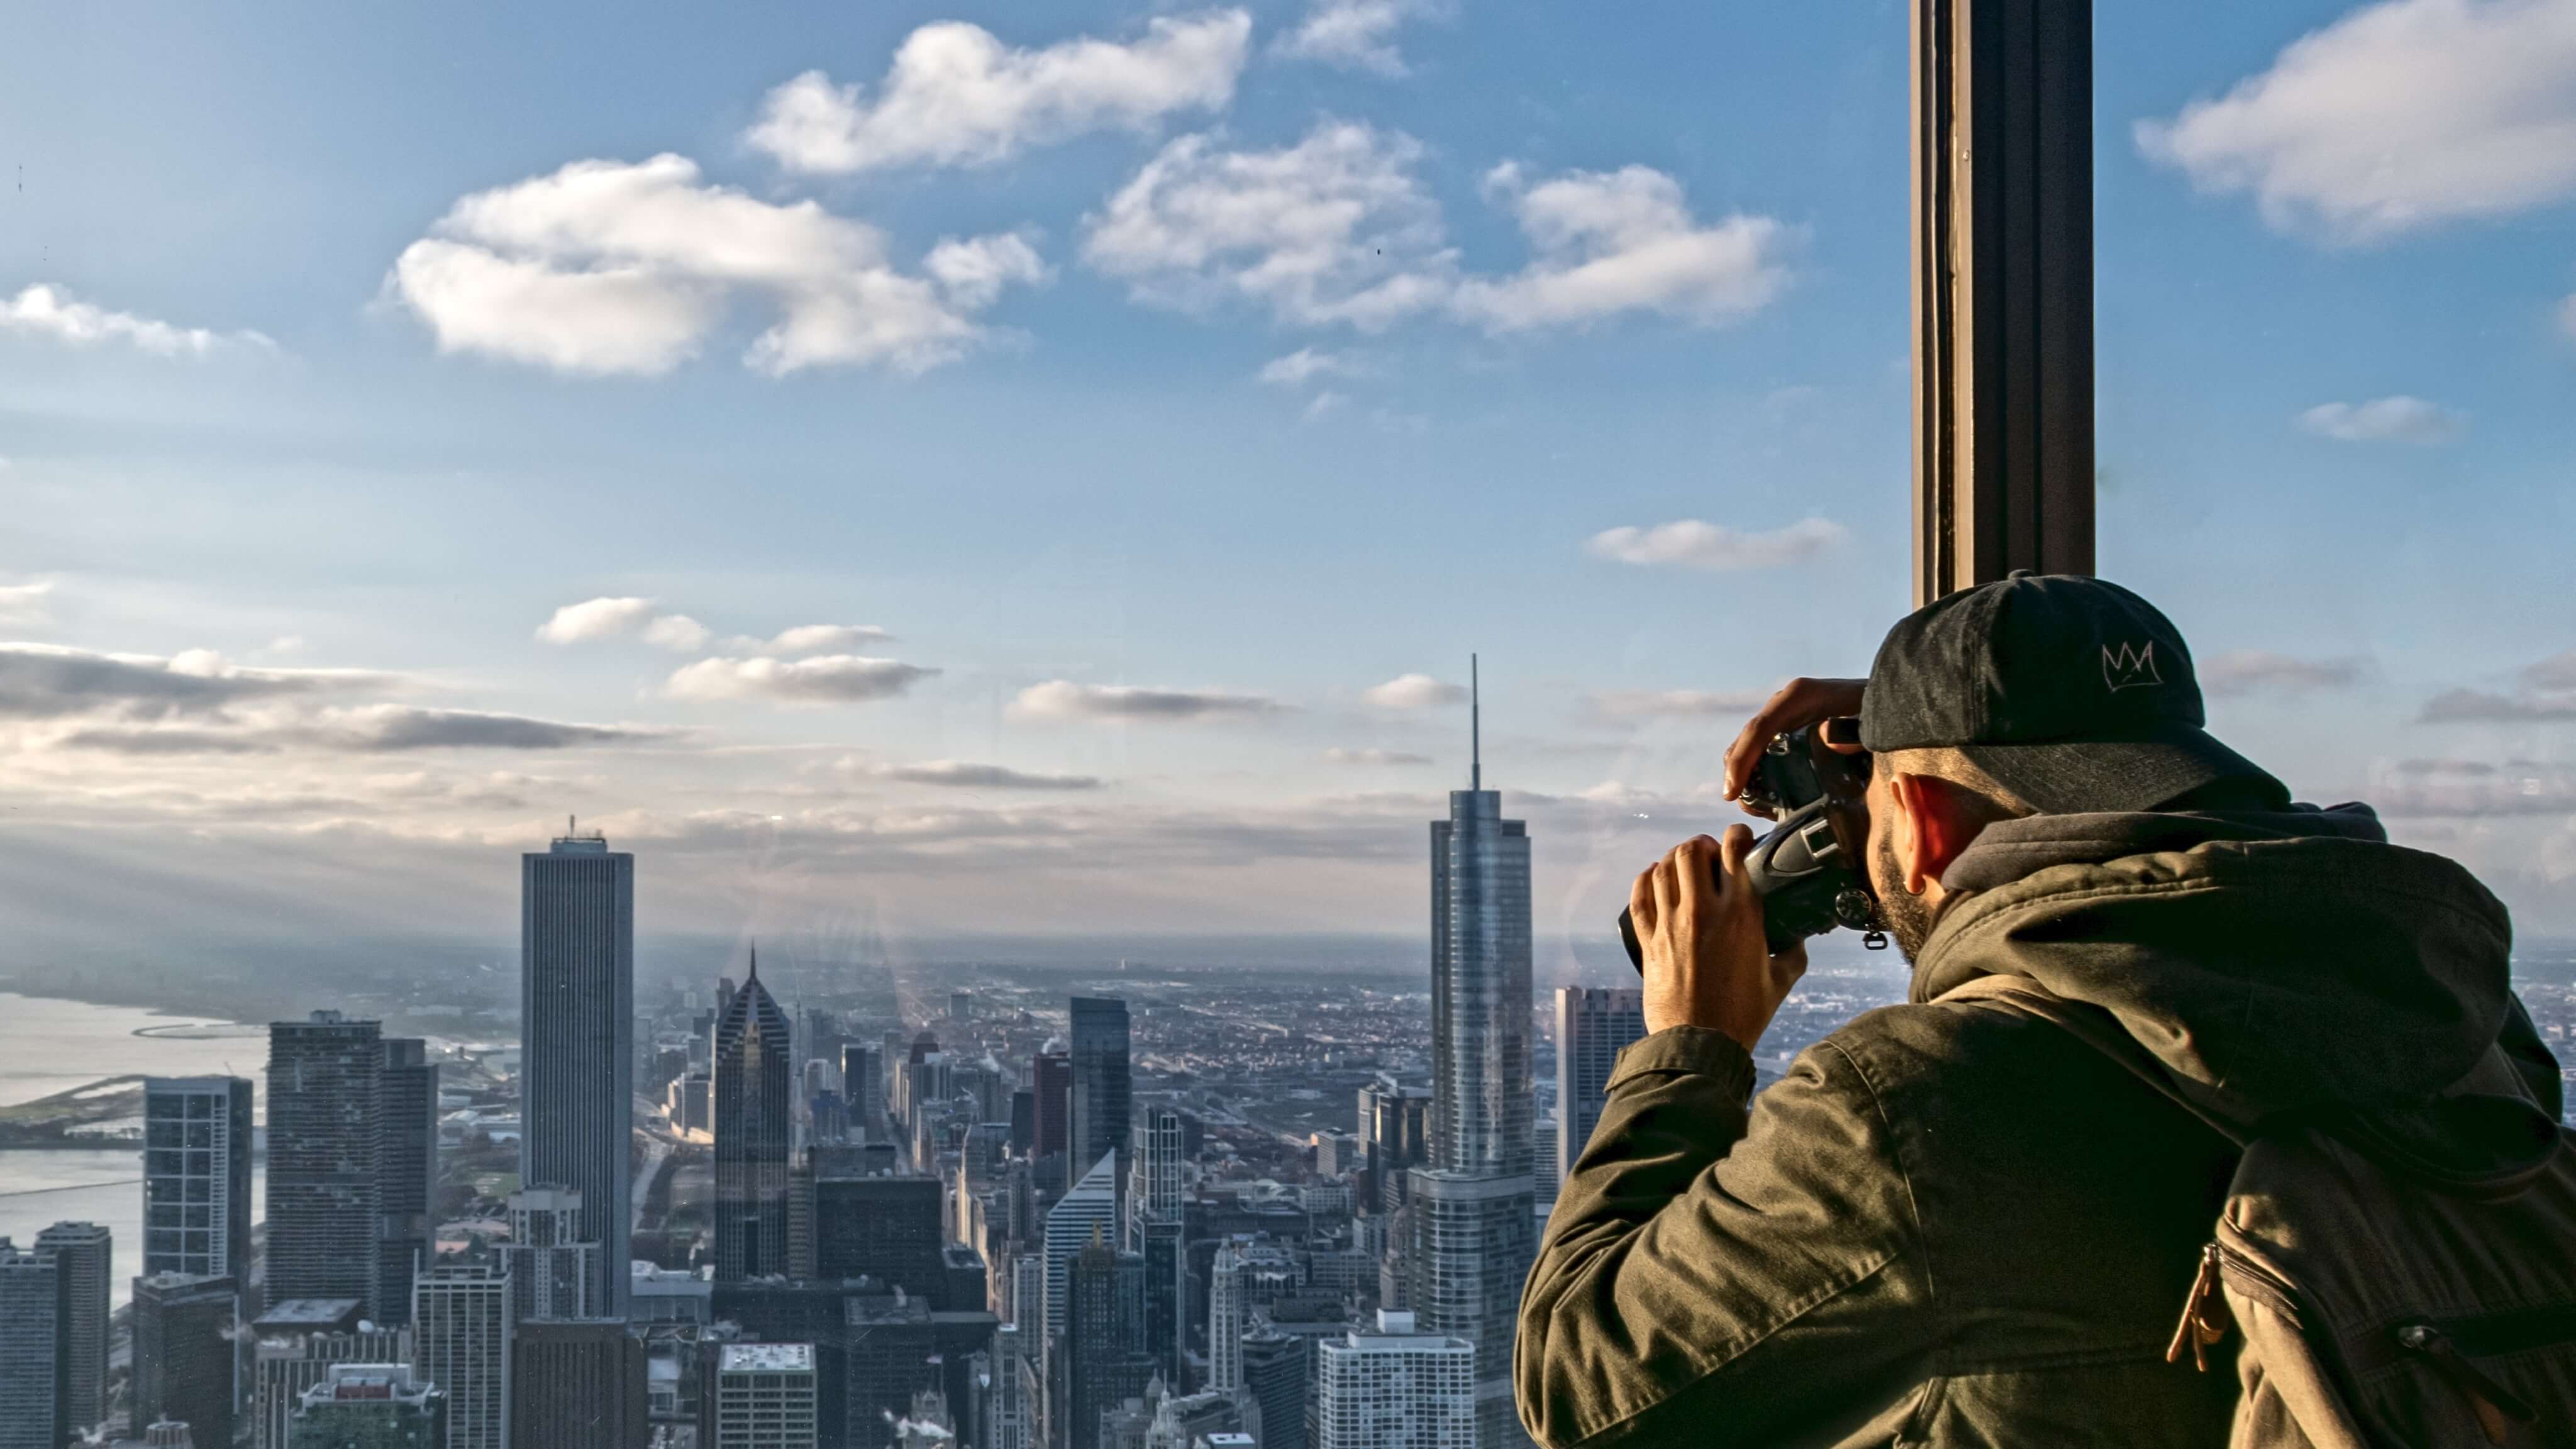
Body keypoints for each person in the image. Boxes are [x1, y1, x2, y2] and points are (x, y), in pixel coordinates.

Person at [1515, 573, 2562, 1447]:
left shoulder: (1906, 1109)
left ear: (1920, 825)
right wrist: (1914, 733)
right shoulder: (2459, 1016)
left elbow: (1581, 1390)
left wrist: (1690, 1045)